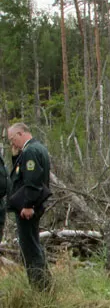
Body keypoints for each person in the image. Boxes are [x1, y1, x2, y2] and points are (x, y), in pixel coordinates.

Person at [6, 122, 52, 290]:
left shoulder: (31, 151)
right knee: (34, 243)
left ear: (21, 133)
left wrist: (28, 205)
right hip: (32, 205)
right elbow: (20, 174)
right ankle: (45, 284)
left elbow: (32, 181)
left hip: (29, 208)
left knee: (30, 247)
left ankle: (40, 287)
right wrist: (14, 156)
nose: (12, 143)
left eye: (12, 139)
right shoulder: (36, 148)